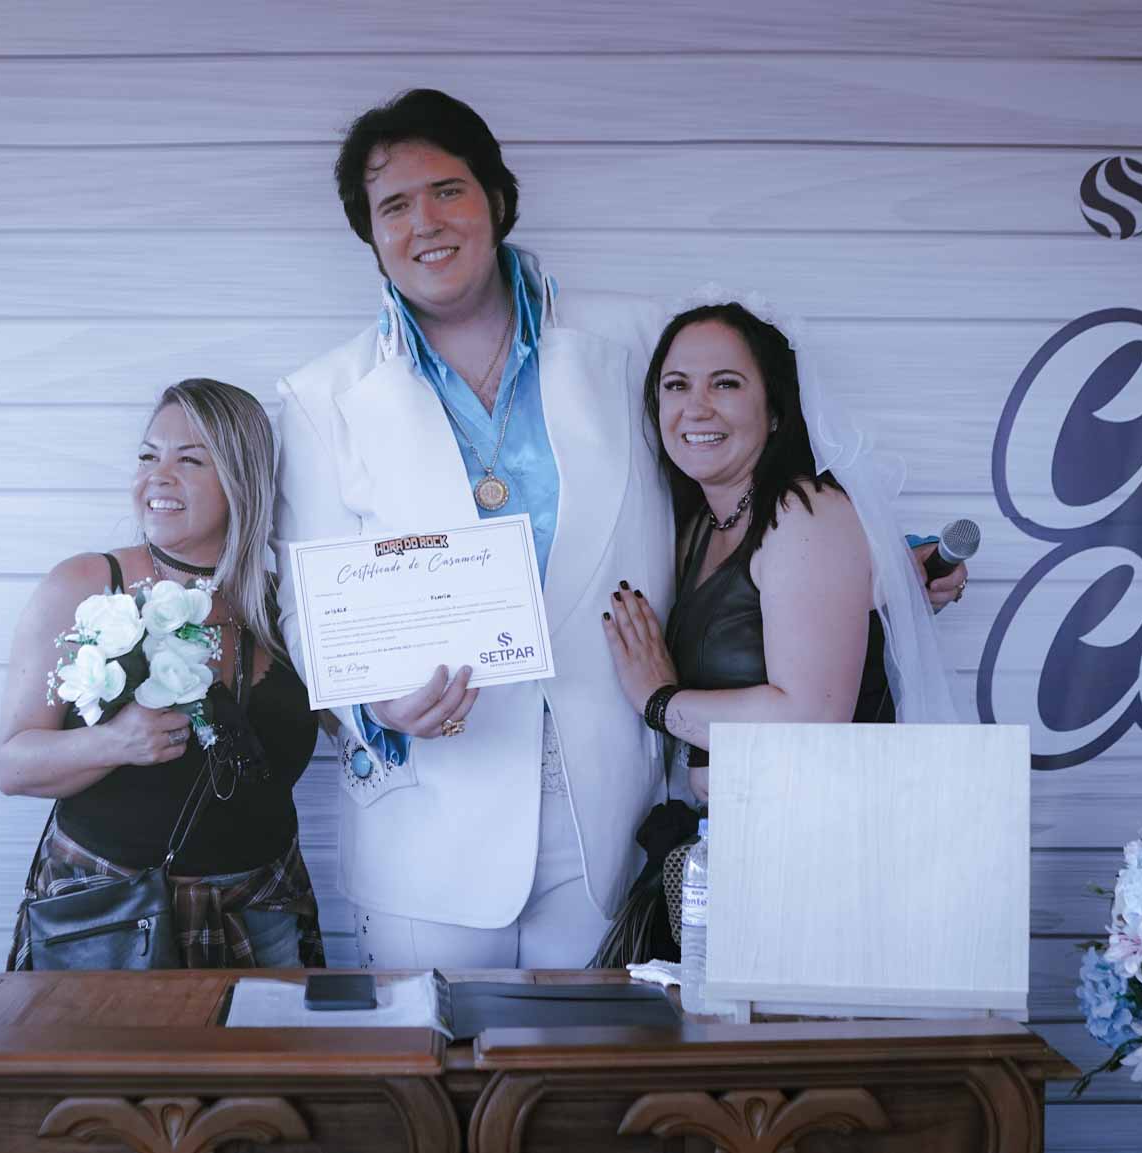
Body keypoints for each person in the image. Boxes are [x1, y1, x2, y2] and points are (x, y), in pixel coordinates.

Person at [272, 90, 970, 970]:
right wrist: (375, 703)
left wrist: (865, 568)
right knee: (425, 1060)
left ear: (496, 197)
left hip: (611, 815)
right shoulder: (322, 397)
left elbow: (729, 479)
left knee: (591, 1061)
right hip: (429, 817)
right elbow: (311, 609)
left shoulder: (633, 339)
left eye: (448, 190)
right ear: (370, 235)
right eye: (395, 206)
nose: (427, 223)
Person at [0, 378, 325, 969]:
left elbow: (362, 727)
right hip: (109, 919)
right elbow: (11, 765)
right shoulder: (85, 584)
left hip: (263, 911)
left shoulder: (290, 606)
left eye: (189, 461)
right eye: (149, 457)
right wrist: (115, 742)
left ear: (242, 479)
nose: (158, 477)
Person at [603, 300, 961, 810]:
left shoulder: (803, 513)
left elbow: (811, 719)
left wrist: (658, 701)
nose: (696, 407)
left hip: (821, 830)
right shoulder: (698, 525)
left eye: (725, 384)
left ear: (774, 411)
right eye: (676, 385)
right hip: (739, 828)